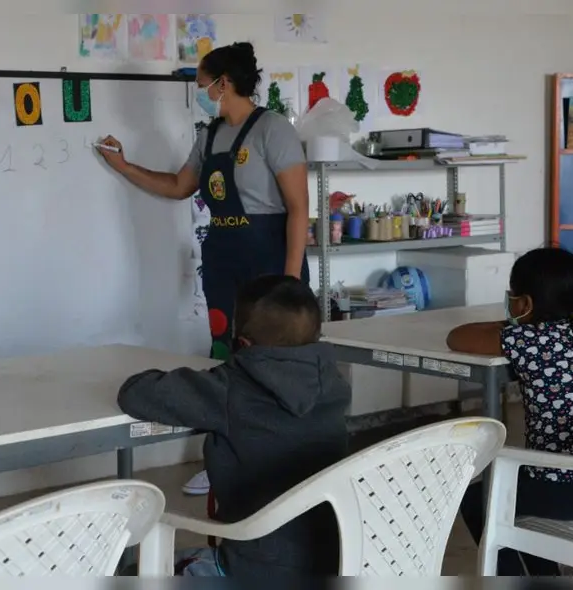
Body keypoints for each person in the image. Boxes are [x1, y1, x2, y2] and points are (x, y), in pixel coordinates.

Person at [97, 41, 310, 497]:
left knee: (279, 360)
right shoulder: (210, 135)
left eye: (200, 84)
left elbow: (298, 208)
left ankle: (291, 461)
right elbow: (178, 186)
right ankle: (224, 462)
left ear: (223, 83)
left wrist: (290, 283)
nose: (199, 91)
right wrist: (122, 165)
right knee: (227, 358)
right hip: (224, 258)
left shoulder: (273, 130)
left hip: (270, 258)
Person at [118, 275, 350, 578]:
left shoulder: (232, 389)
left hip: (254, 570)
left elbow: (135, 394)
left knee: (132, 573)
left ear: (242, 344)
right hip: (337, 559)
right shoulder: (335, 384)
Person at [446, 248, 573, 576]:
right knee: (510, 494)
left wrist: (512, 322)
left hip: (564, 491)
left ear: (525, 303)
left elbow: (457, 336)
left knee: (477, 498)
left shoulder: (530, 339)